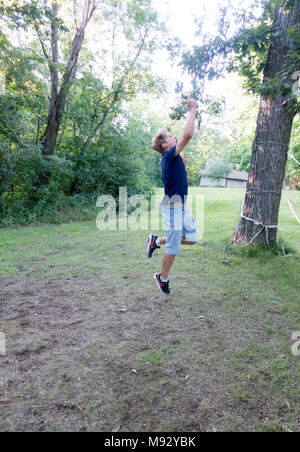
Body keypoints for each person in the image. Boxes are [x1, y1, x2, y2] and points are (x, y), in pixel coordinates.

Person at [147, 98, 199, 294]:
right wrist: (192, 110)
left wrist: (183, 167)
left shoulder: (173, 159)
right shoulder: (168, 156)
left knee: (192, 238)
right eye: (169, 136)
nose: (173, 136)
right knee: (174, 246)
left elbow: (177, 179)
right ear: (165, 146)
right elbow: (188, 134)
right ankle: (162, 278)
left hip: (181, 205)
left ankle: (156, 241)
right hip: (172, 206)